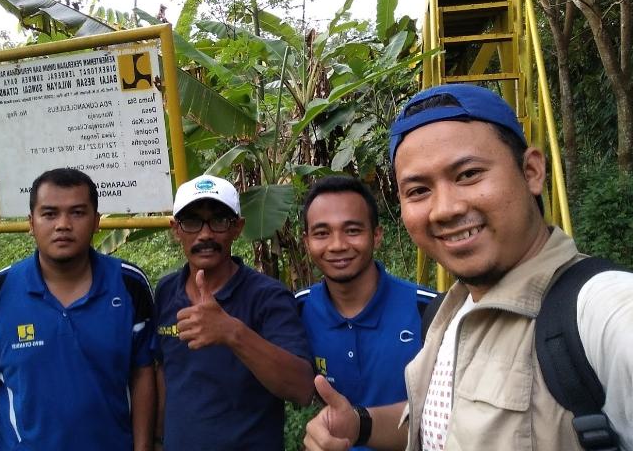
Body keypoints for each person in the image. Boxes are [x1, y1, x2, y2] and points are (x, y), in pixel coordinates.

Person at [303, 84, 633, 451]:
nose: (445, 209)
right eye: (418, 190)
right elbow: (440, 425)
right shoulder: (446, 315)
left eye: (468, 174)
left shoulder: (600, 310)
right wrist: (359, 423)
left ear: (531, 171)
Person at [0, 168, 156, 451]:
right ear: (31, 223)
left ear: (96, 221)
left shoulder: (129, 285)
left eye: (77, 213)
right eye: (50, 214)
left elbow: (143, 374)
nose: (63, 225)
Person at [153, 174, 314, 450]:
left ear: (237, 227)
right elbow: (165, 372)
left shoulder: (267, 297)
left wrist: (232, 332)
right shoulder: (166, 291)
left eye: (219, 220)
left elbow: (302, 388)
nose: (205, 234)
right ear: (176, 229)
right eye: (191, 222)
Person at [296, 176, 435, 450]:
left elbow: (452, 411)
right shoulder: (297, 310)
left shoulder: (429, 310)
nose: (337, 245)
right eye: (322, 233)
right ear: (307, 242)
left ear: (377, 235)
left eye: (352, 230)